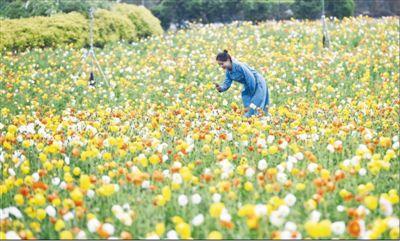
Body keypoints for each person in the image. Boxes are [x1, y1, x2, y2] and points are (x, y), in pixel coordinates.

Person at [215, 50, 269, 117]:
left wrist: (252, 91)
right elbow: (227, 82)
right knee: (247, 100)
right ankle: (251, 118)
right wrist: (221, 88)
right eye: (219, 64)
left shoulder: (239, 66)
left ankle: (253, 117)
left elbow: (250, 77)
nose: (221, 66)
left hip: (257, 82)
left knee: (256, 102)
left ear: (228, 60)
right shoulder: (228, 72)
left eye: (222, 64)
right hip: (248, 85)